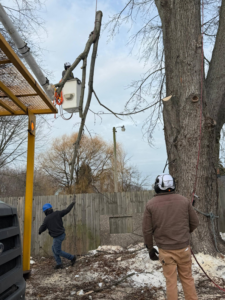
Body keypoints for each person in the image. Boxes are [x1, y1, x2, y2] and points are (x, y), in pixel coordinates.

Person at [142, 174, 199, 300]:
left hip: (165, 251)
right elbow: (195, 222)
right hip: (183, 249)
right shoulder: (184, 200)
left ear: (157, 186)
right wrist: (183, 234)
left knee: (171, 282)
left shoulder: (150, 204)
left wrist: (150, 249)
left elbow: (147, 231)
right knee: (187, 279)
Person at [39, 201, 76, 269]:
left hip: (58, 236)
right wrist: (72, 204)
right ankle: (59, 263)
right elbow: (67, 210)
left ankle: (72, 258)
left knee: (57, 251)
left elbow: (43, 227)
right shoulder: (57, 213)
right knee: (54, 249)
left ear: (46, 211)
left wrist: (40, 231)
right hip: (61, 234)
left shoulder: (47, 219)